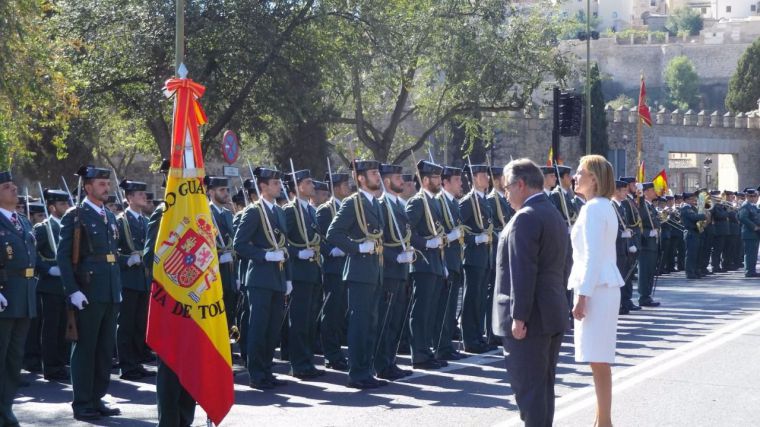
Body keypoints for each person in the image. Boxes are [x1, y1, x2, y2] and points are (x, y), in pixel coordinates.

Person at [493, 158, 568, 427]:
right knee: (542, 388)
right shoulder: (552, 212)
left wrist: (519, 316)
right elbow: (565, 264)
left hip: (531, 318)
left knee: (529, 391)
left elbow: (522, 272)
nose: (505, 193)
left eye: (507, 187)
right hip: (551, 311)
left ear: (521, 184)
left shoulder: (525, 217)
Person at [57, 165, 122, 421]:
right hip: (88, 290)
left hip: (109, 290)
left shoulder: (110, 215)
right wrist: (72, 290)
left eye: (107, 183)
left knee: (105, 349)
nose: (107, 188)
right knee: (85, 349)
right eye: (101, 184)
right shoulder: (76, 215)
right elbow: (63, 258)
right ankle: (83, 402)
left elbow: (113, 256)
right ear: (88, 187)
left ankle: (97, 397)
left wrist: (117, 288)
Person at [568, 155, 624, 427]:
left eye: (580, 172)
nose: (575, 177)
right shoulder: (605, 206)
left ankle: (604, 423)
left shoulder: (593, 209)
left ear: (594, 178)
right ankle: (602, 420)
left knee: (599, 360)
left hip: (597, 289)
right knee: (599, 360)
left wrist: (582, 297)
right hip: (603, 287)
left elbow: (591, 257)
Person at [326, 160, 388, 389]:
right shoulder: (353, 203)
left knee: (371, 323)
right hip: (359, 271)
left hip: (374, 270)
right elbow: (333, 233)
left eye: (378, 172)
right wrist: (357, 248)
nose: (378, 176)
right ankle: (357, 373)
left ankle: (365, 370)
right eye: (373, 173)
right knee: (360, 324)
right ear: (361, 178)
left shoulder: (376, 203)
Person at [0, 171, 38, 427]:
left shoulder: (22, 221)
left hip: (23, 297)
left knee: (14, 360)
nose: (14, 190)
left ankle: (6, 409)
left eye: (14, 186)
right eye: (7, 186)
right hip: (4, 295)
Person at [283, 169, 325, 379]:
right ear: (298, 186)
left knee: (310, 321)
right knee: (299, 320)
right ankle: (298, 364)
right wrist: (298, 252)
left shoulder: (310, 209)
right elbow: (282, 242)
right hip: (299, 272)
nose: (313, 186)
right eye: (308, 183)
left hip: (313, 271)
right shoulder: (290, 211)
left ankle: (307, 361)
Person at [406, 160, 448, 368]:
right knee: (421, 311)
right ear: (424, 180)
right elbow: (407, 231)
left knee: (430, 311)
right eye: (435, 178)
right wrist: (425, 244)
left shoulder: (434, 201)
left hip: (435, 263)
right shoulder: (417, 202)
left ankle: (426, 350)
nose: (439, 181)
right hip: (422, 264)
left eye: (440, 177)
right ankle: (419, 355)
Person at [374, 164, 415, 380]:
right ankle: (381, 363)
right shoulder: (381, 206)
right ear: (387, 181)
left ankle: (390, 360)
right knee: (385, 320)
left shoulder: (399, 204)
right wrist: (395, 256)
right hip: (389, 270)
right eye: (397, 178)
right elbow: (378, 239)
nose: (402, 181)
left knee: (396, 319)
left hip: (401, 270)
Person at [115, 179, 154, 381]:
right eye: (139, 195)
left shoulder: (146, 221)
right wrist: (126, 260)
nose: (144, 197)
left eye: (144, 194)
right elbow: (111, 252)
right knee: (126, 324)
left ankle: (137, 361)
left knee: (140, 323)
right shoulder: (119, 221)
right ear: (129, 198)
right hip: (128, 279)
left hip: (144, 279)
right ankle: (126, 365)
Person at [34, 189, 71, 382]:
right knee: (51, 328)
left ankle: (62, 362)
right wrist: (48, 269)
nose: (66, 207)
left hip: (67, 285)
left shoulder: (70, 226)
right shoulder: (43, 228)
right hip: (50, 286)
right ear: (52, 207)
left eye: (66, 203)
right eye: (62, 204)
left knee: (64, 326)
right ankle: (50, 367)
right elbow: (33, 256)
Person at [316, 172, 351, 372]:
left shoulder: (348, 208)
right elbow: (318, 238)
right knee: (332, 312)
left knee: (342, 313)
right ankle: (331, 354)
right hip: (333, 268)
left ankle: (339, 351)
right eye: (346, 185)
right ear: (337, 188)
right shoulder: (325, 210)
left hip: (347, 267)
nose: (348, 189)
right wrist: (331, 250)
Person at [460, 163, 494, 354]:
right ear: (473, 178)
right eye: (483, 175)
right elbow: (461, 230)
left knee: (480, 299)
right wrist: (476, 239)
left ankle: (478, 336)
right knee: (471, 299)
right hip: (473, 257)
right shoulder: (467, 201)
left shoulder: (485, 200)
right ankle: (470, 339)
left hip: (485, 257)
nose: (487, 178)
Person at [637, 183, 661, 307]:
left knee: (650, 271)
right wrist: (648, 233)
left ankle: (647, 295)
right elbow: (638, 224)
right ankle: (643, 296)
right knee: (645, 272)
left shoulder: (650, 206)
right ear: (645, 192)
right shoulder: (642, 206)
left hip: (653, 244)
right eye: (652, 190)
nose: (654, 192)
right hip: (646, 244)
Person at [737, 189, 760, 277]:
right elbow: (743, 218)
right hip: (749, 233)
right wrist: (754, 226)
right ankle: (749, 271)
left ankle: (752, 270)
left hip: (754, 233)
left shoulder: (753, 206)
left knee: (753, 253)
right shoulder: (745, 206)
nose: (753, 198)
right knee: (750, 253)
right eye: (751, 196)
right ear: (746, 196)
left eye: (754, 196)